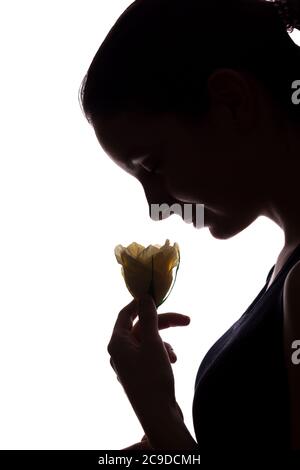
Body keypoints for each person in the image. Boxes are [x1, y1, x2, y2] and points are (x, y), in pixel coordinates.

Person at [79, 0, 300, 461]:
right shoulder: (285, 269)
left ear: (232, 103)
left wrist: (161, 419)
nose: (155, 207)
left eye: (153, 165)